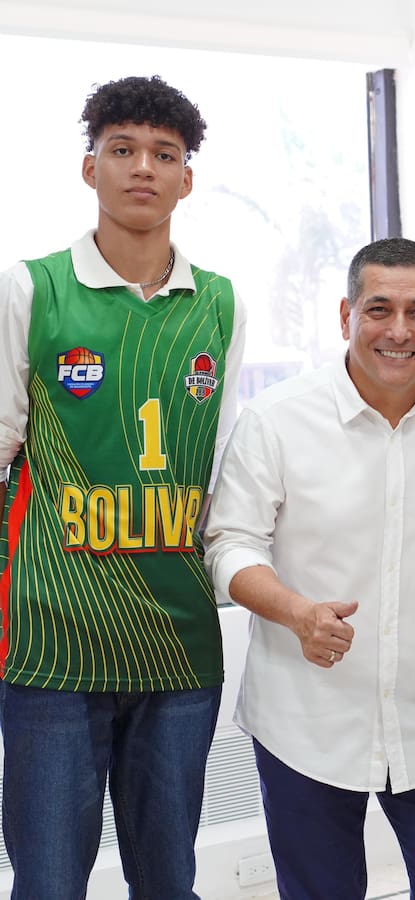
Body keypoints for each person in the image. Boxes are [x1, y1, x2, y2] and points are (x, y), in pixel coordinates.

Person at [0, 75, 246, 898]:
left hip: (179, 644)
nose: (144, 167)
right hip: (52, 644)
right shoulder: (31, 288)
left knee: (169, 882)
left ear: (186, 179)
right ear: (90, 167)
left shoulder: (220, 303)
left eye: (164, 154)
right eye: (123, 149)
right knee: (48, 882)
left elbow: (223, 468)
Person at [203, 237, 415, 900]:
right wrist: (296, 612)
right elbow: (229, 545)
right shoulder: (277, 421)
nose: (399, 331)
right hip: (304, 723)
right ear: (346, 316)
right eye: (379, 309)